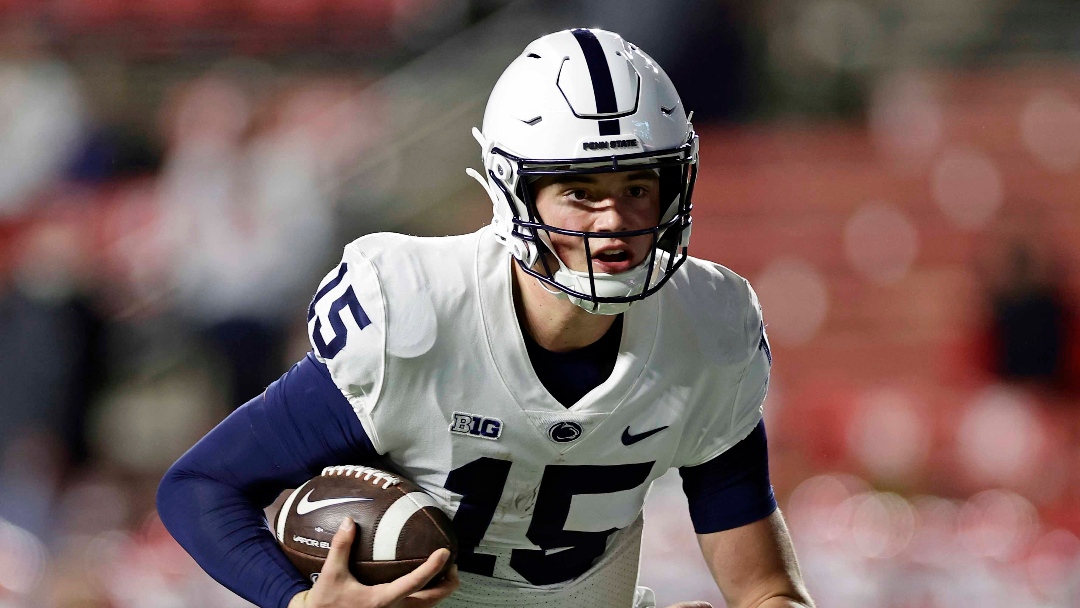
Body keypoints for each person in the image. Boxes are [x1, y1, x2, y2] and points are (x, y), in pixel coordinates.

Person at [157, 28, 815, 608]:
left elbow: (764, 588)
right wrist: (300, 604)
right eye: (580, 192)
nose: (613, 221)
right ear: (512, 190)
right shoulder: (418, 313)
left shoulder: (708, 327)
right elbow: (202, 485)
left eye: (637, 189)